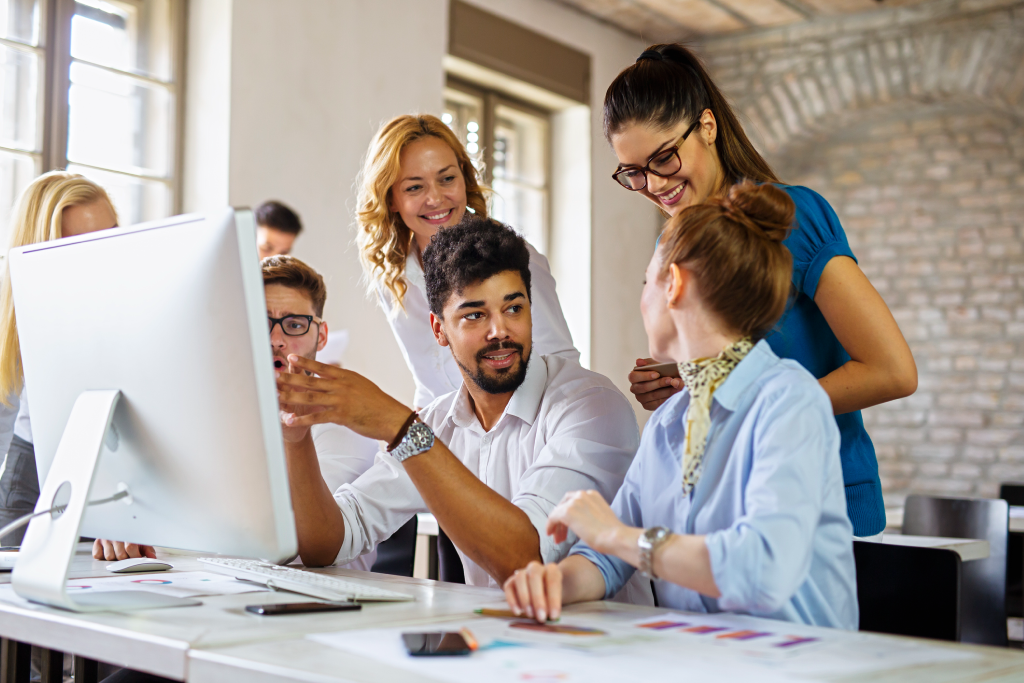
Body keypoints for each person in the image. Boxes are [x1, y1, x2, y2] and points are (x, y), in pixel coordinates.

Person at [503, 182, 857, 630]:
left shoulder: (789, 401)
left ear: (674, 285)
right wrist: (556, 582)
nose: (642, 299)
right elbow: (608, 556)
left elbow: (763, 569)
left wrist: (615, 534)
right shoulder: (670, 420)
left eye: (646, 281)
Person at [612, 44, 917, 537]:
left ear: (707, 127)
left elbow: (893, 372)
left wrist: (751, 412)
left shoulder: (795, 217)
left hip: (825, 499)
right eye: (633, 172)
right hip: (727, 509)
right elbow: (736, 375)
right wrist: (681, 385)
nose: (653, 184)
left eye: (664, 158)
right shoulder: (673, 244)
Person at [276, 216, 642, 591]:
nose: (500, 330)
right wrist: (296, 438)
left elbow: (526, 558)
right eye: (475, 315)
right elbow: (328, 545)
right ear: (439, 329)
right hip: (506, 638)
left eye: (514, 308)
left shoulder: (592, 406)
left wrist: (400, 428)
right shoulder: (439, 422)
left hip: (605, 643)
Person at [91, 255, 382, 567]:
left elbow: (301, 548)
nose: (275, 341)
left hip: (327, 600)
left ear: (321, 336)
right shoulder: (210, 414)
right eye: (260, 323)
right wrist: (128, 527)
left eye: (295, 325)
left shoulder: (343, 422)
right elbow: (156, 506)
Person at [356, 114, 578, 409]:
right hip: (449, 439)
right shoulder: (393, 276)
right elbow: (429, 385)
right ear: (391, 199)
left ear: (464, 178)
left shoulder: (513, 258)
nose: (435, 199)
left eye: (447, 179)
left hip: (527, 432)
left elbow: (562, 368)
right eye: (414, 187)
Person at [0, 172, 119, 546]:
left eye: (110, 237)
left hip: (111, 473)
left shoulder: (128, 303)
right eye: (81, 245)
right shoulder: (15, 312)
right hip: (32, 478)